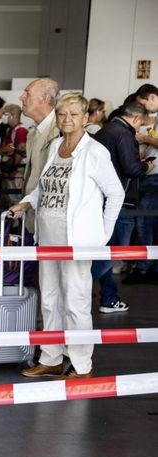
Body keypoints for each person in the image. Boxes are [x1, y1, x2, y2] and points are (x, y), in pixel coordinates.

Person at [8, 93, 124, 379]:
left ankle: (81, 363)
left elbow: (116, 193)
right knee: (49, 299)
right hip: (48, 236)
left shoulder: (96, 152)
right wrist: (27, 202)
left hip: (78, 240)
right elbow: (44, 187)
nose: (67, 119)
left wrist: (102, 236)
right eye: (62, 114)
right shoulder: (55, 145)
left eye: (74, 114)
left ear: (86, 118)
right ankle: (51, 357)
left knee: (75, 301)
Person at [90, 102, 152, 313]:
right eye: (141, 124)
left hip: (101, 199)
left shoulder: (104, 131)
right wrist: (147, 165)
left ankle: (108, 297)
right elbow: (131, 168)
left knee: (104, 250)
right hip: (121, 201)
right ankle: (81, 285)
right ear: (135, 119)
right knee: (116, 251)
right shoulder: (124, 135)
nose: (139, 128)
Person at [19, 78, 61, 233]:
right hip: (30, 217)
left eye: (27, 93)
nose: (21, 97)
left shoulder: (60, 132)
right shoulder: (33, 133)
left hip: (49, 224)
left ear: (44, 98)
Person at [129, 84, 158, 282]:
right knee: (147, 223)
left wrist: (143, 138)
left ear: (152, 97)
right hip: (149, 174)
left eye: (144, 104)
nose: (144, 109)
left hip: (154, 176)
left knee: (144, 222)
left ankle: (143, 268)